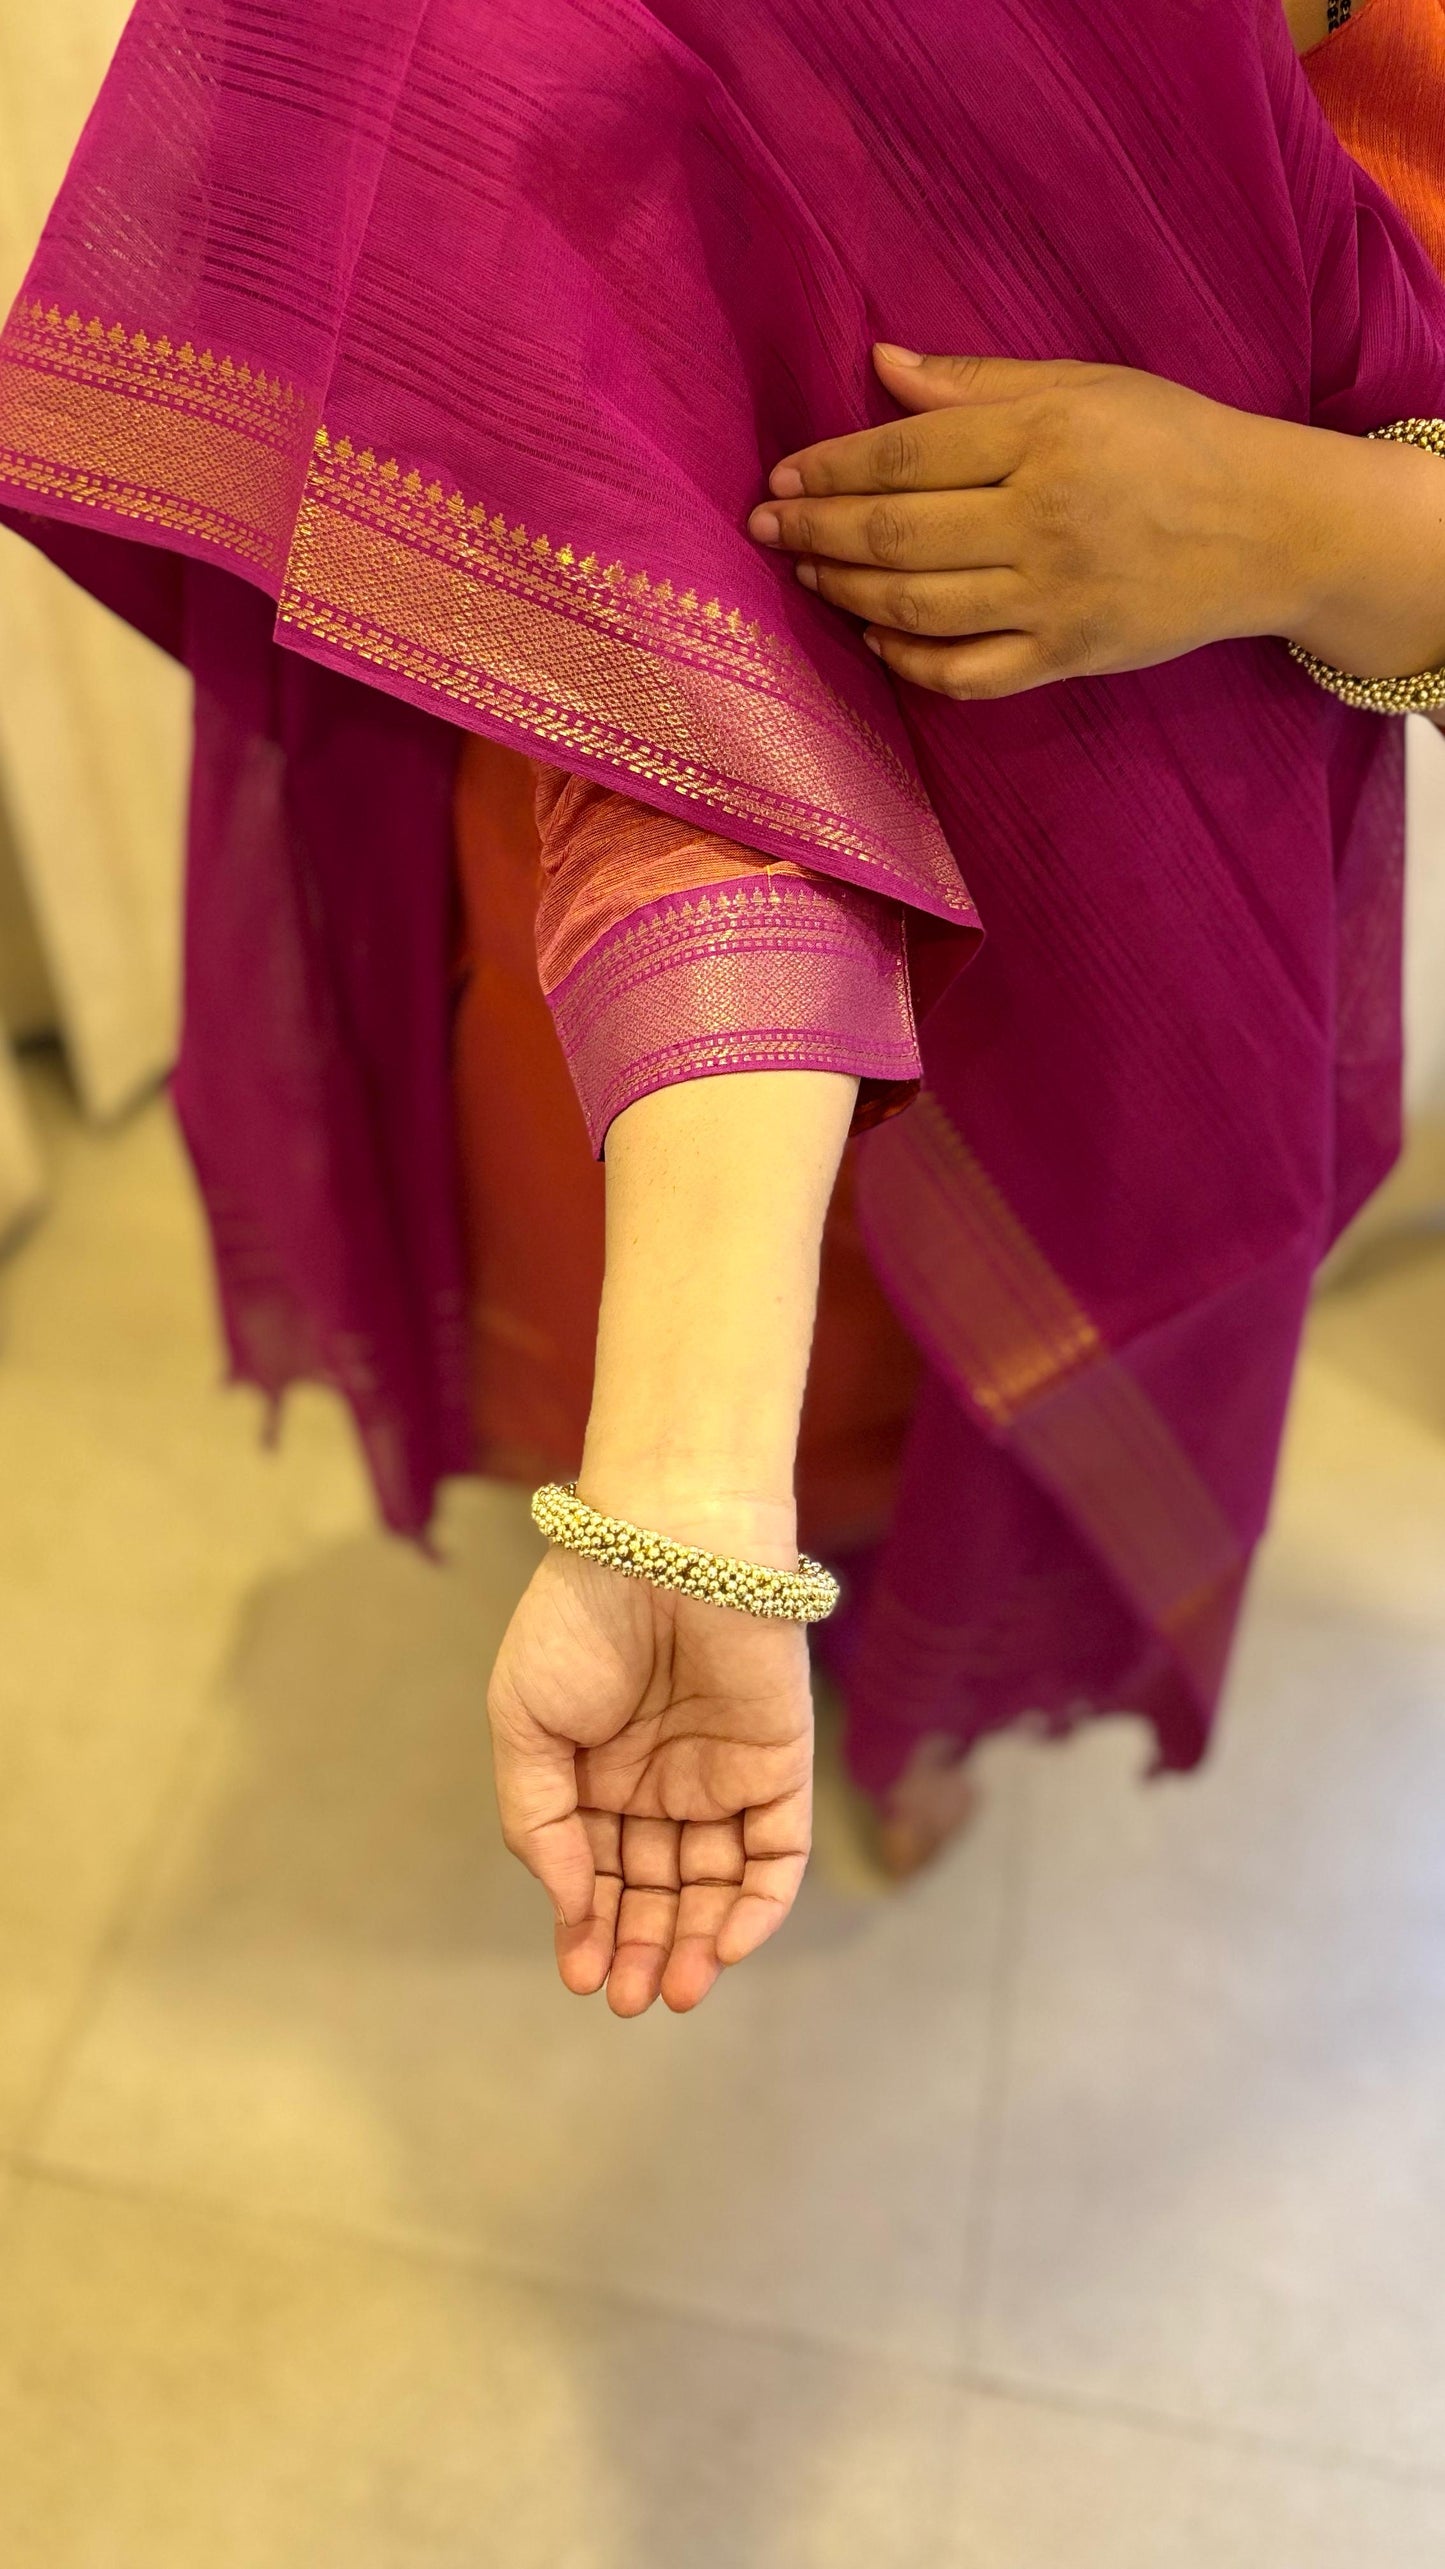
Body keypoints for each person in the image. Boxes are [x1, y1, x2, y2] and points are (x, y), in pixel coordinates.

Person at [2, 0, 1444, 2014]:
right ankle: (821, 1578)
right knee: (759, 1347)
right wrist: (686, 1493)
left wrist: (1306, 529)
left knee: (1062, 1359)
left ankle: (932, 1672)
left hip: (1186, 841)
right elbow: (621, 526)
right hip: (643, 833)